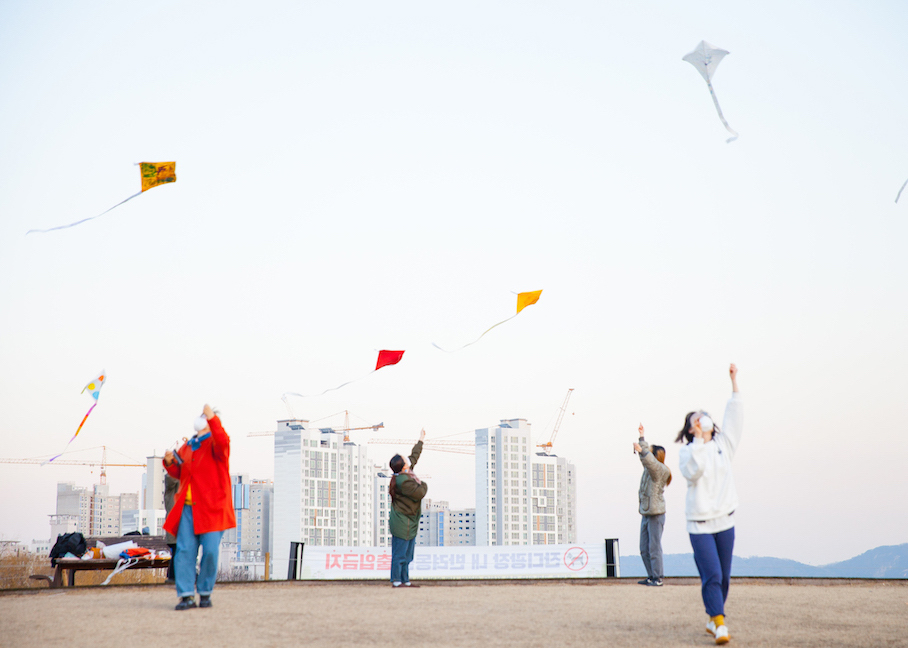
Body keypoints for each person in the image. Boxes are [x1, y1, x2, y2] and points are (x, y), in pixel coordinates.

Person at [676, 364, 742, 645]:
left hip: (725, 520)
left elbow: (735, 417)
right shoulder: (688, 452)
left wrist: (734, 382)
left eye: (705, 416)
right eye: (696, 418)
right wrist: (700, 441)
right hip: (700, 525)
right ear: (691, 428)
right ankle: (720, 624)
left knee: (724, 576)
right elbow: (694, 472)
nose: (702, 419)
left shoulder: (723, 445)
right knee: (712, 574)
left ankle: (713, 618)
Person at [163, 404, 237, 611]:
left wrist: (213, 418)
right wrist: (169, 463)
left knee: (211, 551)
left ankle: (205, 592)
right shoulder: (188, 446)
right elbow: (180, 473)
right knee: (185, 552)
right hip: (188, 507)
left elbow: (223, 441)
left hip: (212, 508)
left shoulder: (216, 442)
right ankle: (186, 595)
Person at [388, 429, 428, 587]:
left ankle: (405, 580)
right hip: (402, 523)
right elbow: (420, 492)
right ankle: (397, 580)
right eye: (405, 460)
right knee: (400, 554)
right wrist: (423, 483)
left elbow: (414, 457)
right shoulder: (404, 481)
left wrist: (421, 440)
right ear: (403, 466)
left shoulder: (404, 475)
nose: (408, 461)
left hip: (408, 522)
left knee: (408, 554)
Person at [634, 423, 671, 587]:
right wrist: (642, 437)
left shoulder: (660, 470)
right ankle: (651, 576)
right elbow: (647, 460)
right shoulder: (651, 469)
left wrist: (642, 450)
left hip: (656, 514)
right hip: (647, 512)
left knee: (654, 547)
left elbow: (649, 460)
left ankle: (658, 578)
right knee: (644, 547)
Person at [163, 473, 180, 583]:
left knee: (178, 552)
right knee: (178, 552)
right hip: (175, 528)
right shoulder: (172, 488)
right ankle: (173, 577)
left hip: (178, 528)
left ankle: (173, 577)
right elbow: (170, 477)